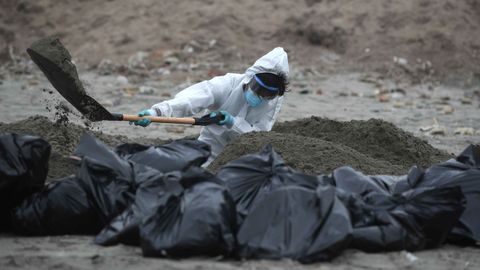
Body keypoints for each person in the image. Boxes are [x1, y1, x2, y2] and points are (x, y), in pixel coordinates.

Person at [133, 47, 289, 166]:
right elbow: (191, 99)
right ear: (250, 78)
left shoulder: (272, 103)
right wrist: (157, 112)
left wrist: (232, 123)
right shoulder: (228, 84)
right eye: (258, 89)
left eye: (268, 95)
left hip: (244, 155)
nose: (260, 97)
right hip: (210, 144)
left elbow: (259, 137)